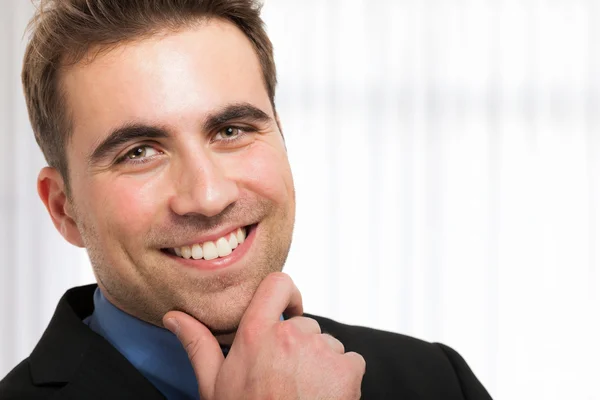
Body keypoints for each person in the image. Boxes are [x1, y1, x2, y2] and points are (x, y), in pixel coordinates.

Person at [0, 1, 492, 399]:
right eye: (139, 152)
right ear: (64, 209)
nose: (208, 197)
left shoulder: (435, 381)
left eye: (230, 130)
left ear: (282, 137)